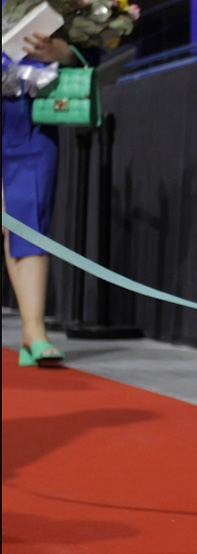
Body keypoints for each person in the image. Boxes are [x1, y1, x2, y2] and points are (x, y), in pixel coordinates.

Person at [2, 32, 81, 367]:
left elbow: (84, 50)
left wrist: (64, 52)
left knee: (29, 215)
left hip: (30, 109)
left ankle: (34, 329)